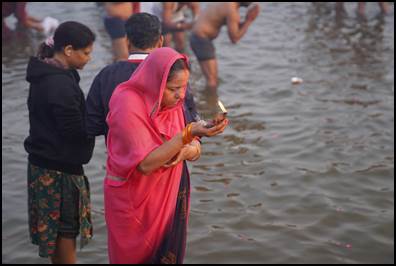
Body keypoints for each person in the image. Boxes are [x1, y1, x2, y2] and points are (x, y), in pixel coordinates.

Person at [104, 47, 228, 263]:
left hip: (171, 194)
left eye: (184, 87)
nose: (181, 95)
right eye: (173, 88)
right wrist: (189, 133)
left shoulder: (175, 105)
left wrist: (194, 146)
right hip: (135, 202)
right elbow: (145, 164)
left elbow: (190, 145)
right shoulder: (128, 103)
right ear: (156, 82)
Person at [24, 21, 95, 264]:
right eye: (85, 53)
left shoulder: (45, 73)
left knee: (53, 229)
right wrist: (102, 122)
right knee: (65, 229)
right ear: (67, 50)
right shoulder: (60, 84)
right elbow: (75, 131)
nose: (89, 58)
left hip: (41, 163)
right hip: (59, 170)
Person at [86, 12, 199, 140]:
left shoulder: (106, 75)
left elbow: (92, 125)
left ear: (127, 41)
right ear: (160, 41)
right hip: (172, 154)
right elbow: (191, 120)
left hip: (123, 156)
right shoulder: (173, 71)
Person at [190, 2, 260, 90]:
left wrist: (247, 19)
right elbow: (234, 38)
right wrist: (249, 20)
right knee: (212, 81)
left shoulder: (228, 5)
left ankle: (207, 100)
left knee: (211, 79)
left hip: (197, 38)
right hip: (201, 39)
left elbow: (235, 27)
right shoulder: (231, 10)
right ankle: (212, 102)